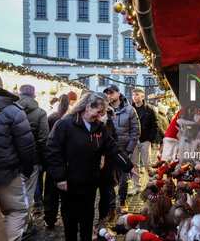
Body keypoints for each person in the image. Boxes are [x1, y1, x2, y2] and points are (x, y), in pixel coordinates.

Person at [46, 92, 134, 241]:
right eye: (98, 112)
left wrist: (128, 166)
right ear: (87, 107)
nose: (100, 116)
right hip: (69, 183)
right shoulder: (65, 123)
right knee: (70, 220)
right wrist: (60, 177)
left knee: (87, 218)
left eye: (102, 113)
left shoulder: (99, 126)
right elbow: (53, 151)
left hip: (90, 181)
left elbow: (112, 147)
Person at [0, 69, 35, 241]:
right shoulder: (13, 109)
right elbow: (26, 145)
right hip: (7, 173)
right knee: (16, 211)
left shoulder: (13, 109)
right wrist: (27, 171)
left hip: (5, 171)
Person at [18, 84, 49, 236]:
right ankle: (23, 226)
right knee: (28, 193)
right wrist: (45, 159)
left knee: (17, 193)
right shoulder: (40, 113)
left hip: (13, 159)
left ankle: (20, 222)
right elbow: (43, 138)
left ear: (19, 95)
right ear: (34, 96)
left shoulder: (12, 110)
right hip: (33, 159)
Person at [104, 84, 140, 215]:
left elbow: (135, 131)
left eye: (111, 93)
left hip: (124, 150)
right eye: (107, 93)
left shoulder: (129, 110)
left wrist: (129, 150)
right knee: (109, 179)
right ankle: (111, 206)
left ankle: (122, 201)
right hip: (108, 150)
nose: (109, 95)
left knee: (123, 180)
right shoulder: (104, 110)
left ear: (118, 93)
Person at [43, 94, 70, 229]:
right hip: (68, 160)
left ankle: (50, 219)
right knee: (67, 194)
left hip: (53, 160)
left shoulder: (52, 117)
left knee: (50, 191)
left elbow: (47, 139)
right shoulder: (69, 119)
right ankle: (69, 220)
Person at [95, 93, 119, 233]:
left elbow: (114, 138)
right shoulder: (88, 120)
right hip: (92, 165)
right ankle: (89, 225)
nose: (103, 111)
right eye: (101, 108)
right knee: (90, 197)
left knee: (106, 194)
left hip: (107, 165)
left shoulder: (108, 120)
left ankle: (103, 222)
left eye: (105, 107)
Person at [129, 88, 159, 195]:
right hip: (133, 140)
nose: (135, 97)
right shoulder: (130, 109)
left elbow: (155, 124)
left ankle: (149, 184)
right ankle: (136, 186)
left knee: (147, 163)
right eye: (133, 95)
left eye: (137, 95)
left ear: (142, 96)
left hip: (145, 140)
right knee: (134, 164)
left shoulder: (149, 109)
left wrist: (150, 139)